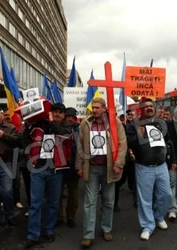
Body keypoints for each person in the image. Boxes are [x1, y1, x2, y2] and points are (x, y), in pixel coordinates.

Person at [76, 97, 127, 248]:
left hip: (109, 168)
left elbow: (123, 144)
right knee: (89, 202)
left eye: (98, 107)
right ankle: (88, 235)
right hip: (91, 168)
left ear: (105, 108)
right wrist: (79, 166)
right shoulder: (85, 124)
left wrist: (118, 164)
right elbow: (79, 146)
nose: (95, 110)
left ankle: (106, 229)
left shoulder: (114, 123)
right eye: (94, 107)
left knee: (108, 201)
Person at [126, 98, 176, 241]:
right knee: (145, 199)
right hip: (144, 167)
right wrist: (138, 136)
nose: (149, 108)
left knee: (166, 195)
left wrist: (172, 160)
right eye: (146, 106)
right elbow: (128, 142)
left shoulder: (162, 123)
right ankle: (148, 226)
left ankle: (158, 216)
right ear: (141, 109)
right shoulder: (134, 124)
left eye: (151, 106)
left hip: (161, 166)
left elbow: (169, 143)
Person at [25, 102, 72, 248]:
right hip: (38, 169)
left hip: (55, 170)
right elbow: (25, 138)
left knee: (53, 202)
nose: (57, 114)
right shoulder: (38, 125)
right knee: (35, 203)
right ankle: (33, 235)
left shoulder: (65, 128)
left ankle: (49, 230)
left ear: (63, 115)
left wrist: (52, 122)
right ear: (50, 112)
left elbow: (64, 136)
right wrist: (28, 155)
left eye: (60, 112)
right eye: (54, 111)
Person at [57, 107, 80, 228]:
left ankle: (71, 216)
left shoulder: (78, 130)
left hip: (73, 167)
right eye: (68, 116)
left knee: (73, 196)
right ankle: (59, 216)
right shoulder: (59, 127)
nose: (70, 119)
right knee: (58, 194)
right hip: (60, 166)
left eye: (72, 117)